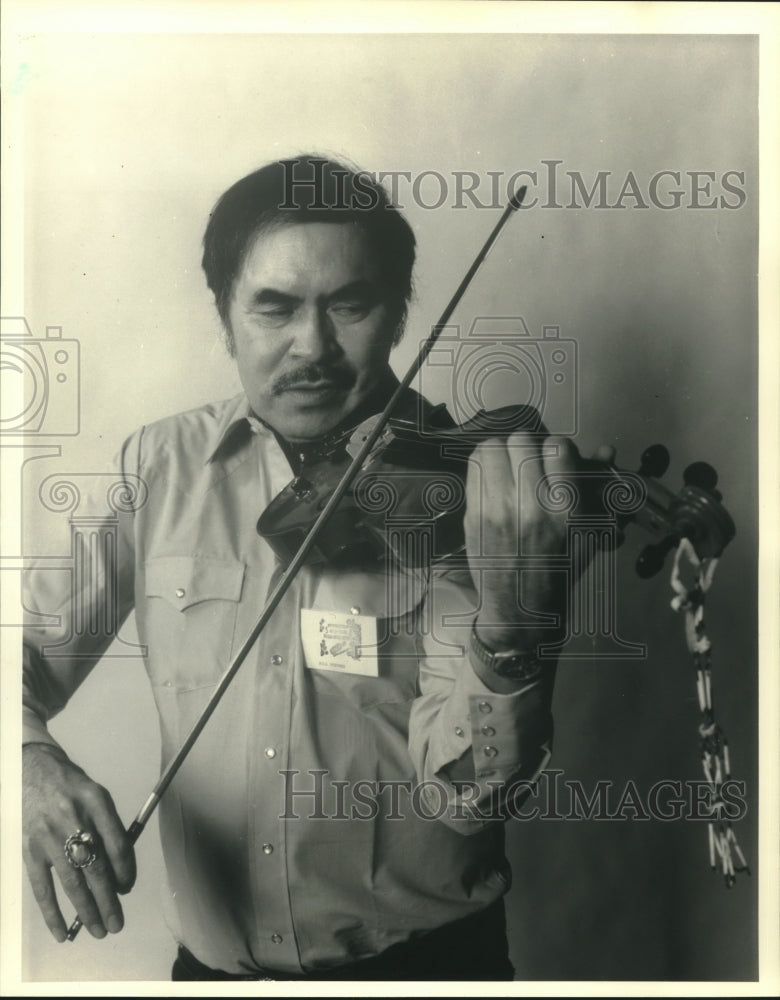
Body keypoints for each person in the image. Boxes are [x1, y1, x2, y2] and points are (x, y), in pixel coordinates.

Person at [22, 156, 608, 981]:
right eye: (274, 308)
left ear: (399, 315)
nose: (313, 347)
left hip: (425, 970)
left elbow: (469, 796)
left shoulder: (469, 501)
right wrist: (27, 763)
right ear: (226, 318)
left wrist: (511, 629)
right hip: (211, 973)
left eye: (350, 305)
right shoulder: (159, 467)